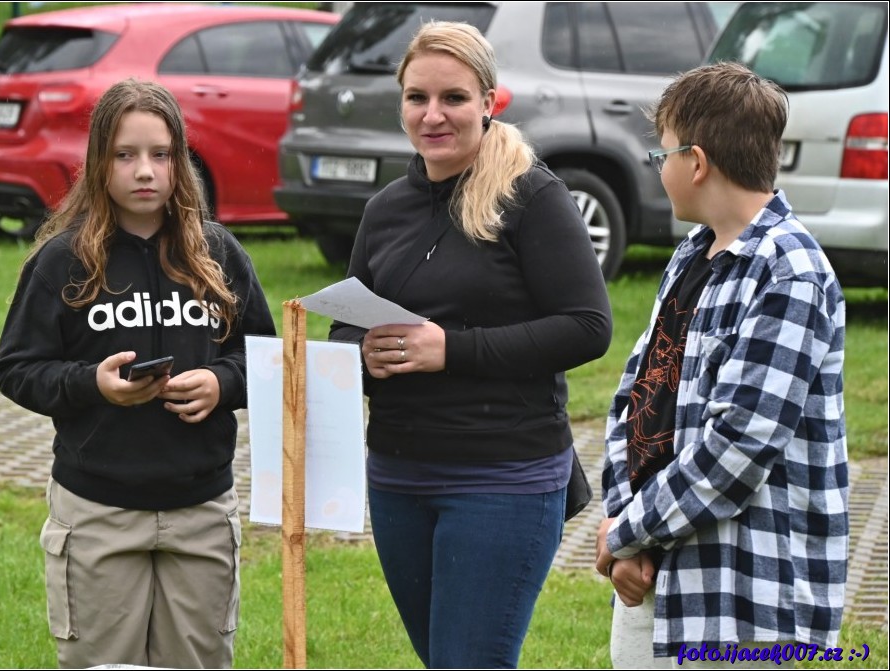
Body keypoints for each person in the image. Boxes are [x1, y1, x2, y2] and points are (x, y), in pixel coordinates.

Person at [329, 21, 613, 669]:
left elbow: (588, 324)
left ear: (489, 100)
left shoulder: (531, 196)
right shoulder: (385, 210)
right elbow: (345, 323)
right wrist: (361, 354)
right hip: (398, 476)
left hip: (503, 478)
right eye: (416, 97)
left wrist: (449, 349)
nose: (433, 115)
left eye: (453, 98)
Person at [0, 78, 276, 669]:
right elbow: (17, 368)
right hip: (98, 513)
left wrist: (223, 383)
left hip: (200, 511)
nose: (143, 170)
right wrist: (90, 384)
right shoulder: (63, 260)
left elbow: (269, 362)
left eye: (160, 155)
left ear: (180, 162)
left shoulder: (219, 255)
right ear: (99, 163)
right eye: (125, 155)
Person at [595, 62, 849, 668]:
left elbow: (739, 445)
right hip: (659, 573)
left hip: (748, 608)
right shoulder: (691, 256)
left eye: (663, 158)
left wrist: (627, 531)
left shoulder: (790, 274)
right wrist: (622, 527)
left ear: (698, 161)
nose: (661, 172)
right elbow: (636, 398)